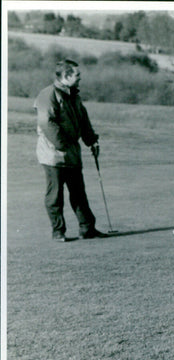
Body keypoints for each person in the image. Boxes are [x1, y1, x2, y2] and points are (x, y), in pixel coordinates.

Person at [34, 59, 106, 241]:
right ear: (66, 76)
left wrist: (92, 141)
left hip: (71, 153)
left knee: (78, 193)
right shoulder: (47, 94)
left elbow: (83, 119)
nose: (80, 78)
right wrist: (62, 145)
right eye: (77, 75)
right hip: (52, 155)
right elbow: (46, 123)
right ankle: (58, 232)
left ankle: (87, 229)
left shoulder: (74, 95)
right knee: (55, 195)